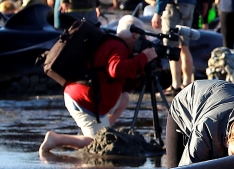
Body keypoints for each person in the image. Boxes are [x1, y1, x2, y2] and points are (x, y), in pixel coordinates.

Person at [39, 16, 157, 153]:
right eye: (142, 38)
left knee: (124, 98)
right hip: (85, 101)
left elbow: (121, 83)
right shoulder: (119, 48)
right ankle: (56, 139)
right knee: (99, 143)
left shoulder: (113, 43)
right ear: (135, 35)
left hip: (84, 95)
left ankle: (99, 130)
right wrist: (144, 58)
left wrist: (140, 68)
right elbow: (116, 70)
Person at [164, 79, 234, 168]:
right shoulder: (205, 128)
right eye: (233, 155)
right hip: (185, 105)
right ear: (228, 139)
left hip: (222, 96)